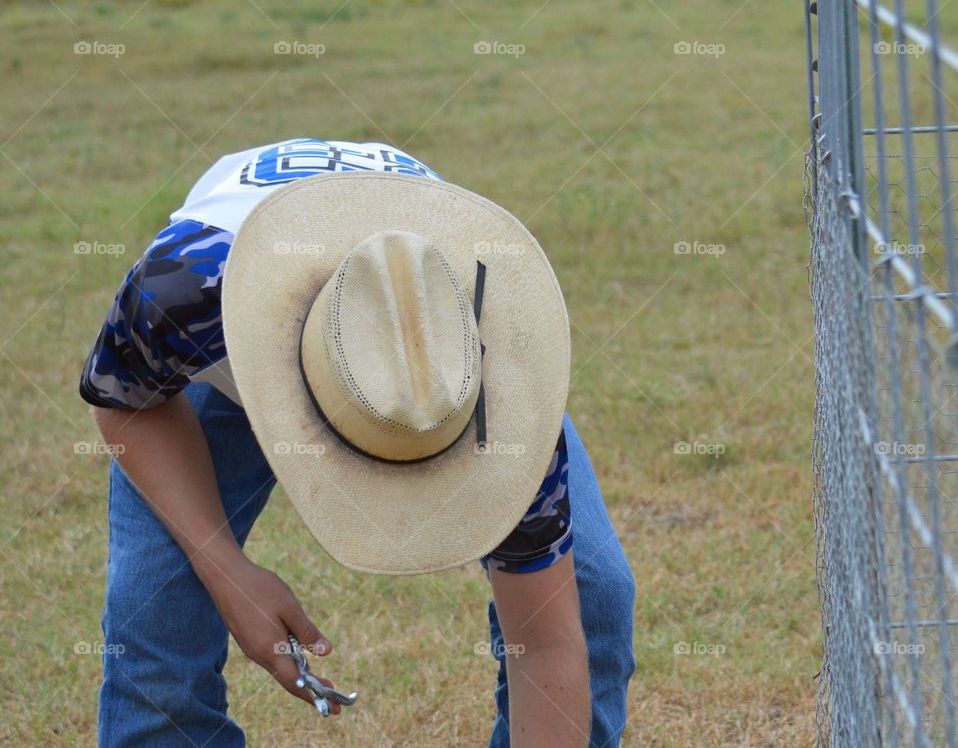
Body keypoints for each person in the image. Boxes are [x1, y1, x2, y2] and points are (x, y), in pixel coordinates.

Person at [80, 138, 636, 747]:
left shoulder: (495, 380)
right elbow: (127, 405)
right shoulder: (188, 291)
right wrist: (229, 575)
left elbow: (550, 644)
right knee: (157, 613)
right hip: (228, 342)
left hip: (435, 347)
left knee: (591, 594)